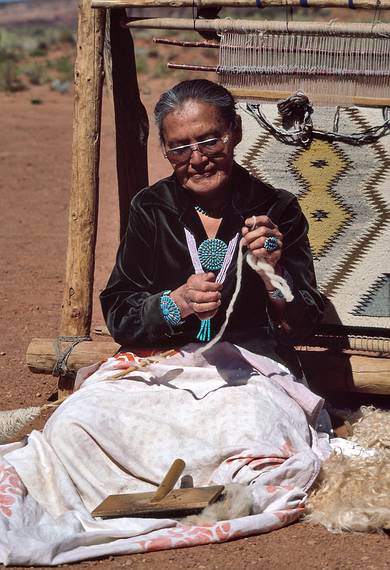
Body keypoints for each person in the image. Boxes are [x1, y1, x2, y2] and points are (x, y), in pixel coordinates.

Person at [100, 79, 324, 374]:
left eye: (209, 141)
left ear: (236, 132)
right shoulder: (152, 208)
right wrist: (176, 303)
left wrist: (274, 274)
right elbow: (120, 313)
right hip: (159, 361)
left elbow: (302, 327)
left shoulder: (276, 210)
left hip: (252, 366)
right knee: (83, 418)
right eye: (179, 148)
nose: (197, 160)